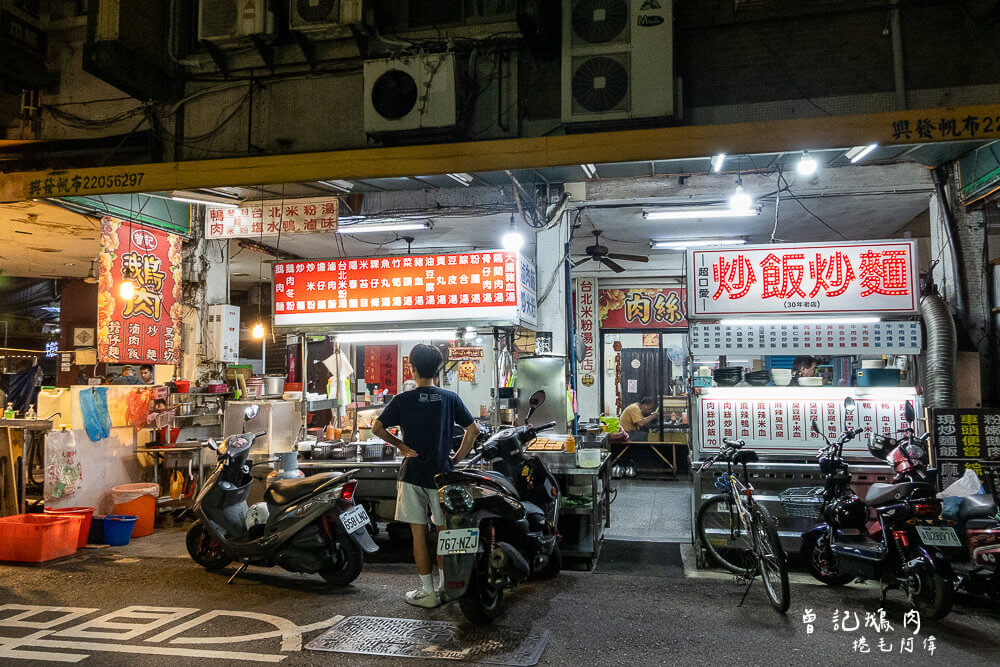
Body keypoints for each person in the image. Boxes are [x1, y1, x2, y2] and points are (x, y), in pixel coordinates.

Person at [371, 344, 479, 609]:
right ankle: (446, 588)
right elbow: (473, 430)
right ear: (439, 368)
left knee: (418, 534)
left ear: (412, 368)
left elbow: (377, 428)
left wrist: (401, 447)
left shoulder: (403, 399)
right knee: (444, 533)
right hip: (443, 476)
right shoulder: (449, 398)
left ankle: (428, 592)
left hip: (412, 475)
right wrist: (457, 458)